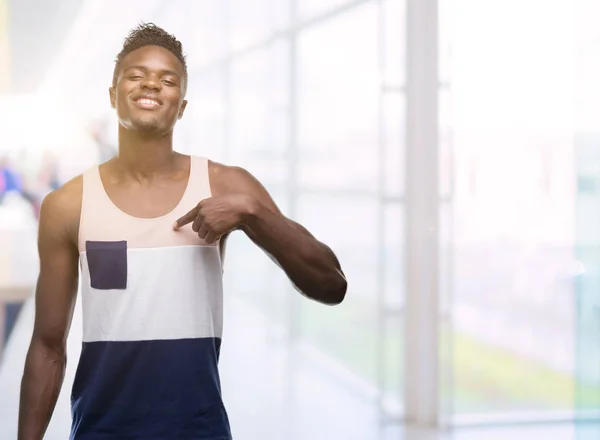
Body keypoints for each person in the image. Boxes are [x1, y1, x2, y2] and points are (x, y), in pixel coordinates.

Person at [18, 23, 347, 440]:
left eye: (167, 78)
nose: (151, 83)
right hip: (100, 432)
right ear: (112, 95)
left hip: (200, 431)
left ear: (182, 105)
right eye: (135, 75)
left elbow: (330, 285)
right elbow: (48, 347)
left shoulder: (227, 186)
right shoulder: (67, 204)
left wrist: (252, 213)